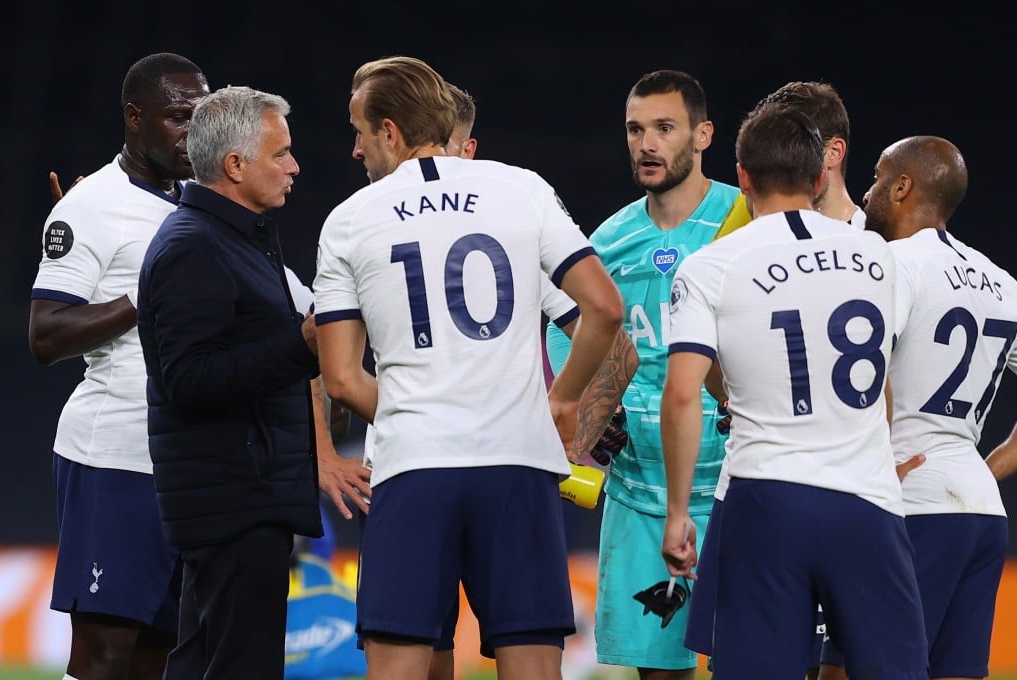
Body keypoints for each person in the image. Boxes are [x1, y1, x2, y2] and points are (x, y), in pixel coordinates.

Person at [313, 55, 624, 680]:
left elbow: (341, 378)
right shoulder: (523, 189)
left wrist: (422, 406)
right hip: (517, 465)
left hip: (413, 467)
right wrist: (559, 404)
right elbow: (606, 310)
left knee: (404, 666)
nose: (356, 149)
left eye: (360, 131)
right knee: (533, 664)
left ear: (392, 132)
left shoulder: (349, 220)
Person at [659, 105, 928, 679]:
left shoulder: (711, 266)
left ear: (743, 177)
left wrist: (679, 512)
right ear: (817, 177)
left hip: (764, 497)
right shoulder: (883, 257)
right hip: (868, 502)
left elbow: (682, 394)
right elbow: (885, 375)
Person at [544, 68, 748, 679]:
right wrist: (582, 414)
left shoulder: (742, 221)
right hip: (639, 495)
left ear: (704, 134)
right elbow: (566, 333)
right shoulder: (611, 239)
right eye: (635, 130)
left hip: (737, 486)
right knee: (659, 673)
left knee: (753, 665)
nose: (646, 144)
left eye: (664, 128)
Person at [136, 85, 328, 679]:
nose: (295, 166)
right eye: (281, 154)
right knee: (241, 664)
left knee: (202, 661)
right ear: (235, 164)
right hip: (233, 495)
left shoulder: (231, 240)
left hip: (239, 492)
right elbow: (188, 379)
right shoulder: (194, 246)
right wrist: (302, 344)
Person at [27, 52, 208, 680]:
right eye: (178, 117)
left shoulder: (199, 202)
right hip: (116, 458)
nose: (194, 131)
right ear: (135, 118)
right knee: (105, 654)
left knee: (160, 652)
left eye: (202, 116)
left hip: (184, 461)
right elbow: (45, 335)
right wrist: (141, 297)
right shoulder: (91, 206)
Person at [818, 137, 1015, 680]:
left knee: (847, 671)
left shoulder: (890, 262)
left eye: (878, 177)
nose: (868, 189)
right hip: (980, 513)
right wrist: (984, 467)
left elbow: (863, 376)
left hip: (909, 505)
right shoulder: (1000, 282)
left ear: (902, 186)